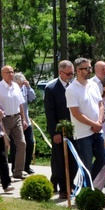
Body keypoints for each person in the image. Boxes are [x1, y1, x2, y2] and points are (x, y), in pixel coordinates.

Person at [66, 57, 105, 184]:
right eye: (86, 68)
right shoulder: (71, 89)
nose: (89, 70)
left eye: (90, 67)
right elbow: (76, 113)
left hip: (97, 130)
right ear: (78, 70)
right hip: (83, 133)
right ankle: (85, 190)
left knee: (102, 159)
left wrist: (99, 121)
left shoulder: (93, 85)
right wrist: (93, 124)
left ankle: (84, 185)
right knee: (86, 164)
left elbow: (100, 104)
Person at [44, 60, 76, 198]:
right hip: (59, 130)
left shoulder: (74, 86)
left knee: (73, 159)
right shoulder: (51, 88)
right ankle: (63, 188)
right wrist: (55, 132)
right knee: (60, 160)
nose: (70, 76)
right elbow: (50, 113)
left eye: (72, 73)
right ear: (60, 72)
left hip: (74, 129)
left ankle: (72, 184)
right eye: (68, 73)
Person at [0, 65, 27, 179]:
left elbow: (20, 103)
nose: (11, 74)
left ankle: (18, 172)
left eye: (12, 72)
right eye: (8, 72)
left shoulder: (16, 86)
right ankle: (5, 174)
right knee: (5, 146)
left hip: (16, 118)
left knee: (22, 143)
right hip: (4, 119)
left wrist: (24, 119)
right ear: (2, 74)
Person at [13, 72, 36, 175]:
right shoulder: (12, 90)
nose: (21, 86)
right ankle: (15, 166)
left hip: (26, 120)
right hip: (15, 121)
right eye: (19, 84)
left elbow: (32, 98)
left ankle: (27, 165)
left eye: (22, 83)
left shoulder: (25, 88)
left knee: (30, 143)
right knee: (16, 145)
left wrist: (28, 86)